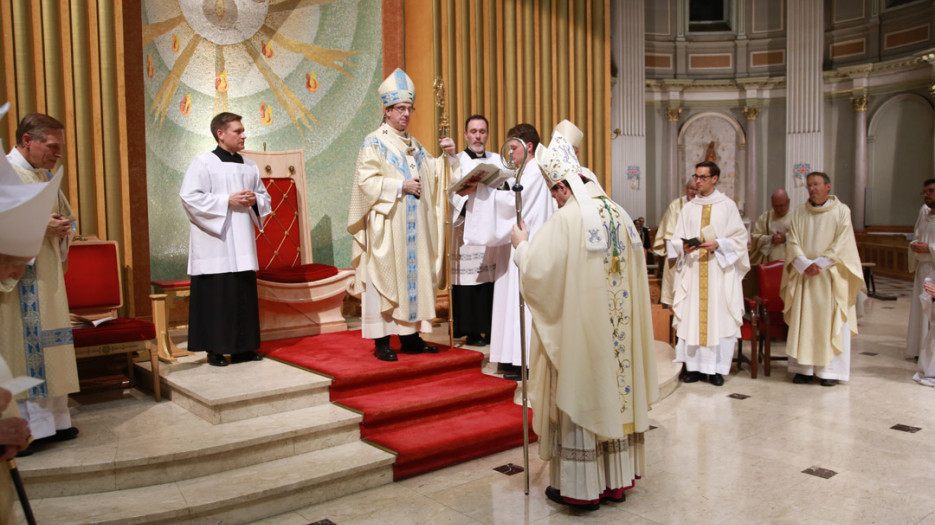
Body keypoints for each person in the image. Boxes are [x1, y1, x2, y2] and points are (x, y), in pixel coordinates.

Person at [510, 128, 658, 510]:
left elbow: (539, 275)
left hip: (585, 338)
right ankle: (615, 482)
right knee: (615, 393)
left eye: (554, 193)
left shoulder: (569, 217)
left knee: (585, 392)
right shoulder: (620, 214)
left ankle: (583, 488)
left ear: (561, 187)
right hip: (618, 339)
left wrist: (521, 246)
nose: (556, 200)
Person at [347, 68, 458, 361]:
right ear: (387, 110)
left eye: (409, 109)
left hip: (413, 227)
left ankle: (410, 338)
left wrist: (448, 157)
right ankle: (381, 341)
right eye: (400, 109)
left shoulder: (413, 143)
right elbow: (365, 182)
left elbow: (434, 174)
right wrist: (400, 186)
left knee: (413, 276)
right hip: (387, 223)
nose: (406, 114)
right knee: (384, 278)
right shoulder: (374, 142)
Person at [0, 113, 81, 453]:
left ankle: (56, 421)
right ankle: (29, 428)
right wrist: (37, 227)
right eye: (52, 146)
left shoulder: (44, 176)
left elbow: (67, 219)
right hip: (18, 284)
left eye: (60, 147)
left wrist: (64, 229)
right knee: (23, 352)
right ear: (27, 140)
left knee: (52, 348)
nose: (57, 154)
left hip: (47, 279)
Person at [461, 123, 554, 380]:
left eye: (513, 148)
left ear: (529, 147)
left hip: (527, 245)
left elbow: (513, 204)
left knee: (519, 302)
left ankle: (521, 360)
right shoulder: (524, 171)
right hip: (515, 243)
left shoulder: (534, 173)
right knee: (510, 301)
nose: (510, 153)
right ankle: (511, 357)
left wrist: (478, 192)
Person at [180, 112, 272, 367]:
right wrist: (225, 201)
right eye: (238, 131)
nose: (244, 136)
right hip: (215, 243)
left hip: (241, 240)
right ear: (220, 134)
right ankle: (216, 349)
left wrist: (255, 200)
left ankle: (244, 348)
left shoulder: (249, 165)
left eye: (243, 131)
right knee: (218, 295)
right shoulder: (203, 162)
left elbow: (265, 198)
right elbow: (189, 197)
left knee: (242, 293)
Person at [781, 172, 863, 387]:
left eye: (816, 184)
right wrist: (803, 263)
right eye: (809, 185)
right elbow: (793, 241)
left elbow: (842, 242)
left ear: (828, 186)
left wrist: (823, 263)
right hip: (805, 276)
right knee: (804, 320)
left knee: (830, 321)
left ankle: (829, 371)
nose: (812, 189)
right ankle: (804, 370)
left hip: (829, 277)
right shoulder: (799, 213)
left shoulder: (841, 211)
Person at [670, 161, 749, 386]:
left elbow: (740, 239)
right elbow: (677, 238)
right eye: (696, 176)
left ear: (715, 179)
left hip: (718, 271)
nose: (698, 181)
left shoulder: (727, 206)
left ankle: (716, 369)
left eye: (703, 177)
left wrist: (719, 244)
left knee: (718, 317)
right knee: (692, 317)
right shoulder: (688, 208)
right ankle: (693, 368)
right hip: (694, 271)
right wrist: (682, 248)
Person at [449, 114, 503, 346]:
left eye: (482, 132)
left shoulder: (498, 160)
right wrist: (467, 201)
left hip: (492, 231)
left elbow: (506, 187)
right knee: (470, 280)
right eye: (473, 132)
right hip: (467, 230)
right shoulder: (456, 162)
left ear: (487, 134)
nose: (478, 136)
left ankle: (492, 329)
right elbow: (450, 192)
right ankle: (471, 331)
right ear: (465, 135)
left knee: (491, 280)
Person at [652, 179, 698, 305]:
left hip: (697, 255)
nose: (693, 192)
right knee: (676, 295)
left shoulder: (703, 206)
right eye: (691, 189)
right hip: (677, 255)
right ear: (686, 189)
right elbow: (669, 234)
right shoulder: (676, 205)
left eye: (696, 189)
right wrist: (679, 251)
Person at [906, 178, 935, 360]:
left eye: (930, 191)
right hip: (923, 268)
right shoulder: (925, 215)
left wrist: (931, 248)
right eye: (924, 192)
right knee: (921, 312)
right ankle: (921, 350)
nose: (926, 195)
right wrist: (915, 245)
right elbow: (917, 235)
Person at [749, 189, 792, 265]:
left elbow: (802, 239)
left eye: (781, 205)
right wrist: (770, 239)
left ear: (788, 202)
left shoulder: (796, 218)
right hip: (768, 265)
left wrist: (786, 238)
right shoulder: (765, 218)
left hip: (789, 265)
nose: (778, 209)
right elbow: (755, 237)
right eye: (775, 206)